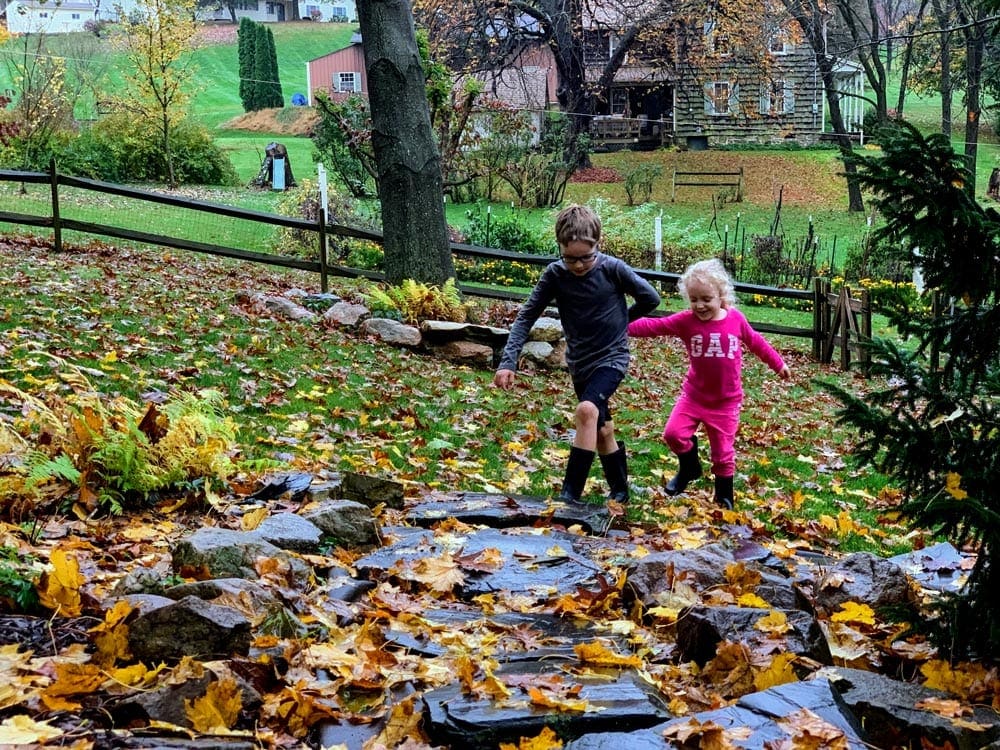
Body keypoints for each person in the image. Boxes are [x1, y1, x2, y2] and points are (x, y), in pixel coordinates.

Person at [494, 204, 661, 505]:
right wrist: (508, 362)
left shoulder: (613, 269)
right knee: (600, 427)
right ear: (559, 246)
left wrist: (623, 320)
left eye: (586, 256)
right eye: (570, 258)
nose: (579, 265)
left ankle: (570, 495)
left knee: (586, 411)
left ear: (599, 244)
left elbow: (651, 297)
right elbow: (526, 317)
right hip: (579, 363)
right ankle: (620, 491)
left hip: (612, 357)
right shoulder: (555, 275)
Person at [627, 258, 791, 509]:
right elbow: (653, 326)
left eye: (706, 299)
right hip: (694, 397)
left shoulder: (735, 319)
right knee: (673, 434)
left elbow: (757, 342)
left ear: (721, 295)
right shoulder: (685, 321)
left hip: (726, 402)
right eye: (694, 300)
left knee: (723, 453)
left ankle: (724, 496)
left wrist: (778, 364)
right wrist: (618, 325)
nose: (700, 305)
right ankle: (689, 467)